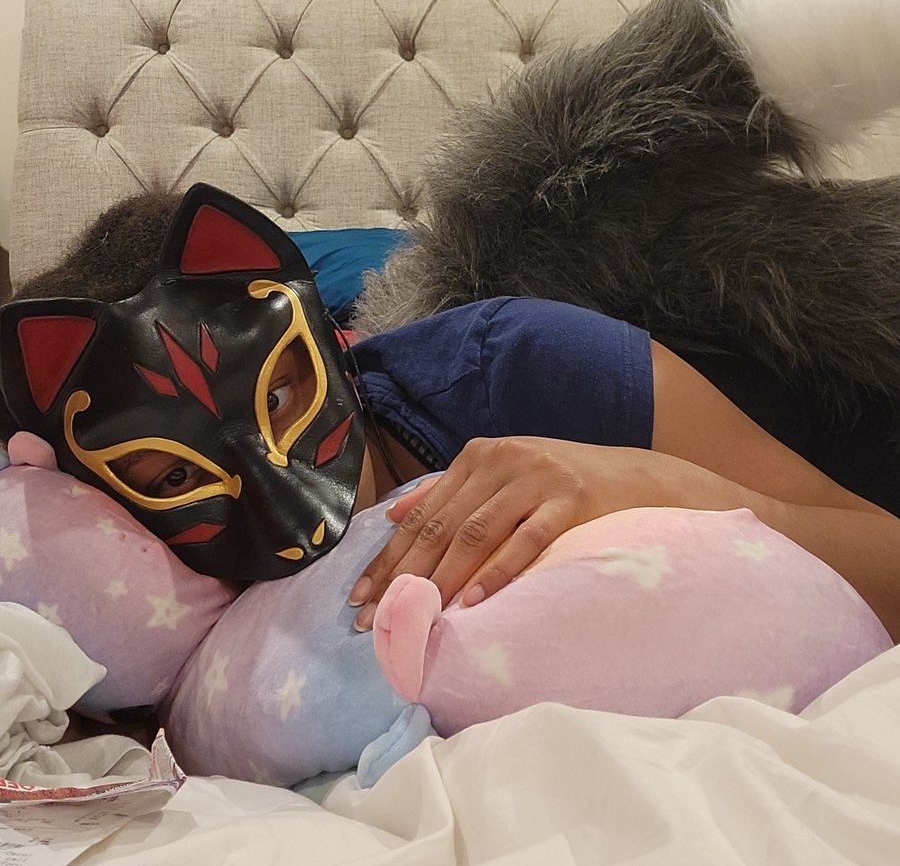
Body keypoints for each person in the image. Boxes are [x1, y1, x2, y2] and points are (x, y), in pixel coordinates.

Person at [1, 184, 898, 645]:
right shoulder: (141, 586)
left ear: (333, 345)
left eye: (278, 395)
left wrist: (644, 486)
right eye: (171, 474)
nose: (282, 503)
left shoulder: (523, 365)